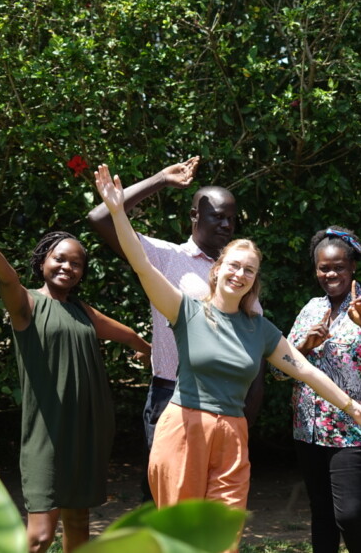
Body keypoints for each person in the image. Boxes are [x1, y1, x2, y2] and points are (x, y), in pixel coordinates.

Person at [93, 165, 361, 527]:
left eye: (249, 270)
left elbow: (303, 368)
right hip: (183, 427)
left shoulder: (258, 327)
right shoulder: (184, 310)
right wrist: (118, 211)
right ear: (217, 270)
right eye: (233, 266)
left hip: (232, 434)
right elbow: (141, 264)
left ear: (254, 281)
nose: (239, 274)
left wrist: (352, 406)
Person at [0, 199, 150, 553]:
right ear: (42, 262)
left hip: (87, 430)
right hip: (46, 433)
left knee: (79, 525)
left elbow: (124, 333)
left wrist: (147, 348)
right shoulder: (27, 304)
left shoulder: (81, 311)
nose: (68, 266)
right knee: (38, 538)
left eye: (76, 263)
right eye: (60, 258)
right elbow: (7, 276)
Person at [86, 157, 265, 501]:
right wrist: (160, 179)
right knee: (168, 498)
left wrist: (251, 404)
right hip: (173, 395)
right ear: (194, 217)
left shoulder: (239, 273)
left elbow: (255, 341)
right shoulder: (165, 257)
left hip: (227, 400)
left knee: (214, 500)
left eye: (231, 218)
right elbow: (101, 218)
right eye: (218, 216)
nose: (227, 224)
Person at [284, 227, 361, 553]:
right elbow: (283, 364)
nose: (331, 273)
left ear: (352, 268)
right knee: (321, 514)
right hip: (309, 428)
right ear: (315, 269)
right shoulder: (310, 308)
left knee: (349, 514)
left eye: (339, 267)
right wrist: (307, 343)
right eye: (324, 267)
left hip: (353, 429)